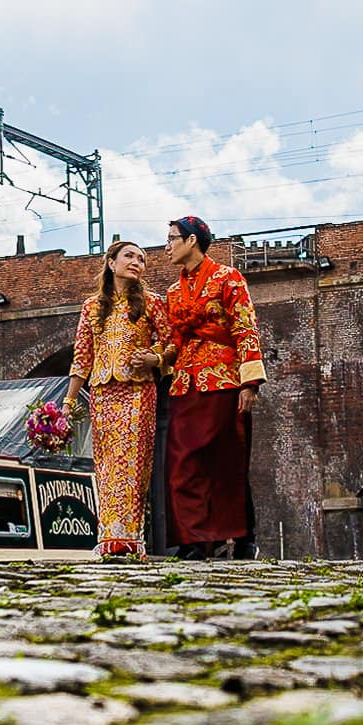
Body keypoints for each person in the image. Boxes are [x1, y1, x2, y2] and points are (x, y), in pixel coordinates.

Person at [161, 215, 264, 559]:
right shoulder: (173, 291)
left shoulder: (228, 278)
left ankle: (241, 536)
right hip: (184, 383)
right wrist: (159, 359)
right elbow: (175, 340)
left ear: (192, 241)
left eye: (173, 238)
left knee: (225, 460)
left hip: (223, 379)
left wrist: (249, 383)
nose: (168, 246)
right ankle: (194, 539)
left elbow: (245, 328)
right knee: (182, 462)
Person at [64, 238, 171, 558]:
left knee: (134, 464)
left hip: (138, 391)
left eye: (141, 259)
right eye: (129, 256)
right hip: (102, 393)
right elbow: (82, 357)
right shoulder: (90, 306)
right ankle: (108, 538)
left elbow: (172, 343)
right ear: (111, 263)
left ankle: (131, 538)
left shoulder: (152, 302)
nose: (137, 262)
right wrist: (68, 403)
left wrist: (155, 359)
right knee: (108, 465)